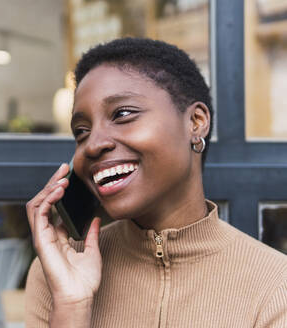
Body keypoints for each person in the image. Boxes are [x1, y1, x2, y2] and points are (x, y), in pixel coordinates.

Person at [25, 38, 287, 327]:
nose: (93, 145)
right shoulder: (58, 271)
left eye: (122, 114)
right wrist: (72, 306)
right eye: (81, 131)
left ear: (196, 122)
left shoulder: (276, 287)